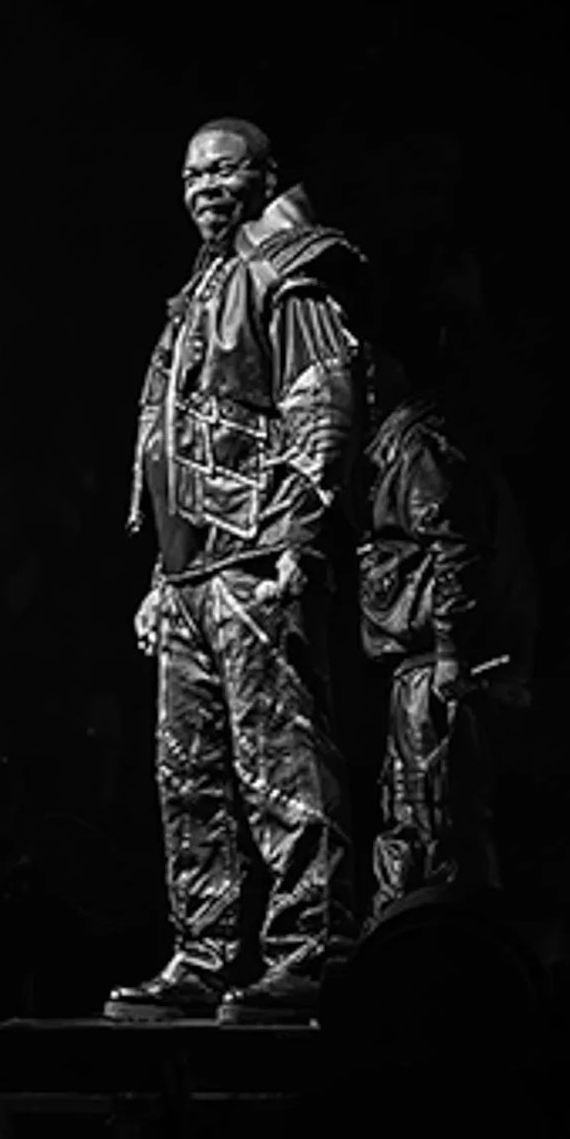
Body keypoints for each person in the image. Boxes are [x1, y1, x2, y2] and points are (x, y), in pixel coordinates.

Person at [112, 118, 373, 1024]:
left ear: (266, 176)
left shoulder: (283, 270)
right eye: (191, 174)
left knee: (281, 764)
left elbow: (323, 405)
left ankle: (311, 953)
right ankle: (204, 953)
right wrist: (159, 575)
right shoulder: (197, 293)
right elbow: (174, 448)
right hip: (190, 574)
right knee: (191, 777)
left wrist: (302, 536)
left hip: (256, 557)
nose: (206, 187)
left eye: (225, 169)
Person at [355, 298, 540, 926]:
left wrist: (452, 650)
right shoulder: (407, 445)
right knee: (424, 809)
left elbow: (457, 545)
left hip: (440, 667)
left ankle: (436, 946)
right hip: (429, 663)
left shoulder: (420, 446)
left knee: (433, 813)